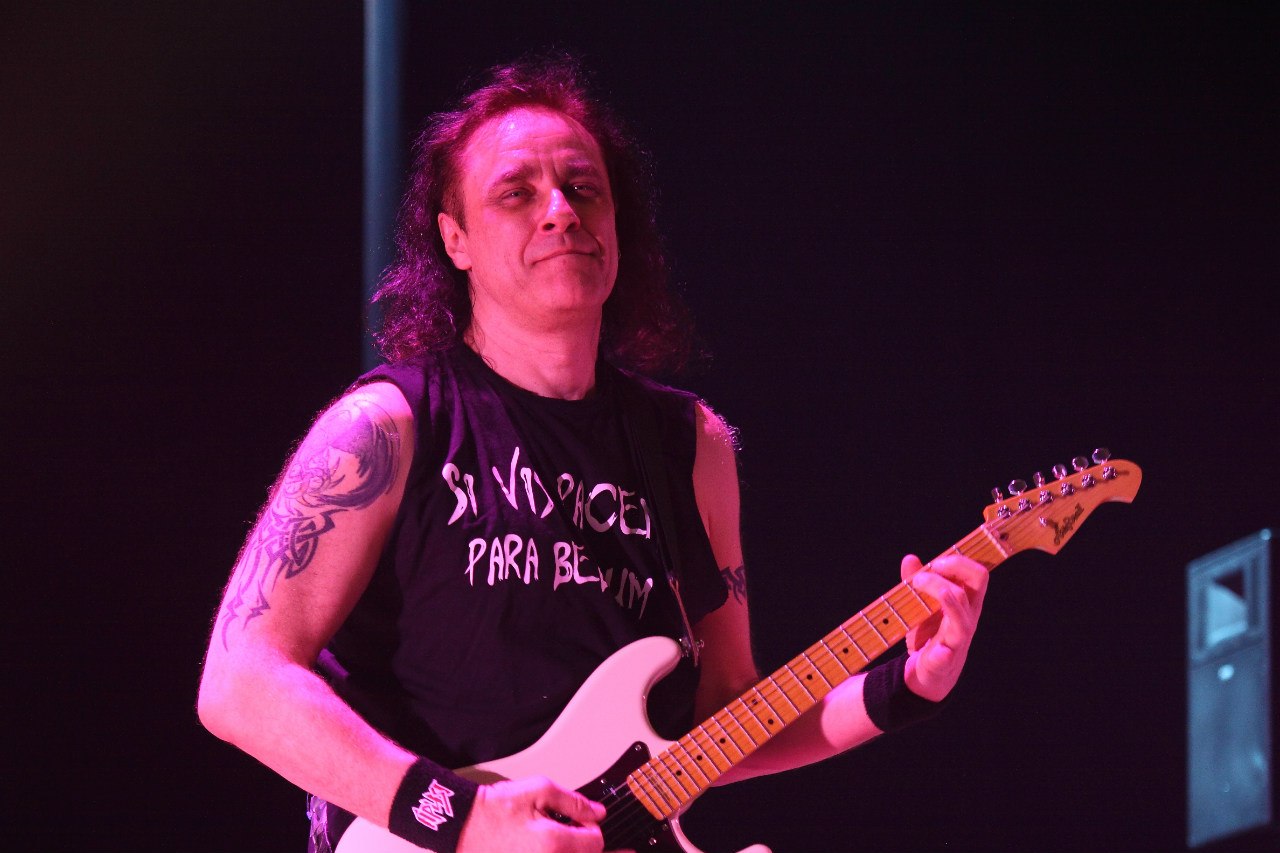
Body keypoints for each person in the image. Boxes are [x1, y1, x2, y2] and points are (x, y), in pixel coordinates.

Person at [197, 54, 989, 853]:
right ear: (455, 238)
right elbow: (240, 681)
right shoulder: (388, 427)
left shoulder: (690, 446)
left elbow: (722, 718)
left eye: (584, 188)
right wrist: (463, 818)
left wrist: (907, 683)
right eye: (517, 192)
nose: (560, 211)